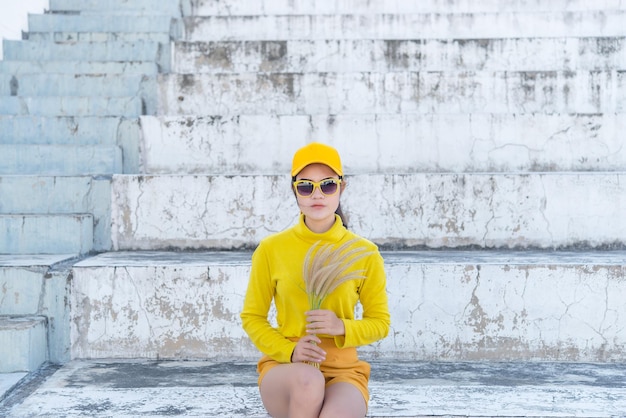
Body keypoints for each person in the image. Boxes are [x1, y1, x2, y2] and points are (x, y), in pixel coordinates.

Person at [241, 142, 391, 418]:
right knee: (309, 381)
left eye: (328, 185)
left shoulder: (364, 253)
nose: (317, 194)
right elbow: (252, 317)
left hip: (343, 373)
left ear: (341, 188)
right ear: (295, 190)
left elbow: (380, 323)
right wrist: (291, 350)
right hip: (287, 370)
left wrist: (341, 327)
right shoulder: (271, 249)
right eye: (306, 186)